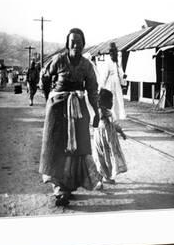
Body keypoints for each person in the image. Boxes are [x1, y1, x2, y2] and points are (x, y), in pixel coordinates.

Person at [39, 28, 102, 207]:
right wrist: (49, 97)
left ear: (83, 44)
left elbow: (92, 89)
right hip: (58, 109)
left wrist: (96, 112)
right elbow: (45, 76)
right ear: (67, 43)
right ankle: (59, 190)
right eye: (72, 41)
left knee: (76, 149)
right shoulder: (58, 60)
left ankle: (69, 186)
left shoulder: (87, 65)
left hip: (78, 110)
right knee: (56, 147)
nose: (76, 45)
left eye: (79, 42)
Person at [93, 88, 127, 184]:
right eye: (111, 100)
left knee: (104, 157)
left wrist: (121, 132)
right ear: (105, 101)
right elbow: (95, 121)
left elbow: (114, 125)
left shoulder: (108, 114)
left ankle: (104, 177)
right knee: (104, 157)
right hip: (103, 139)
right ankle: (104, 177)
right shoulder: (101, 113)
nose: (112, 102)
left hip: (104, 139)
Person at [100, 42, 127, 121]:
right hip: (110, 84)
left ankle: (117, 118)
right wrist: (102, 86)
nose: (113, 53)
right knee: (112, 101)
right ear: (110, 53)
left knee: (119, 100)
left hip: (117, 83)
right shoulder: (108, 62)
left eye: (115, 51)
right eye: (112, 52)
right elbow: (104, 75)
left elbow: (120, 70)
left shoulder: (117, 61)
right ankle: (111, 118)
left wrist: (123, 75)